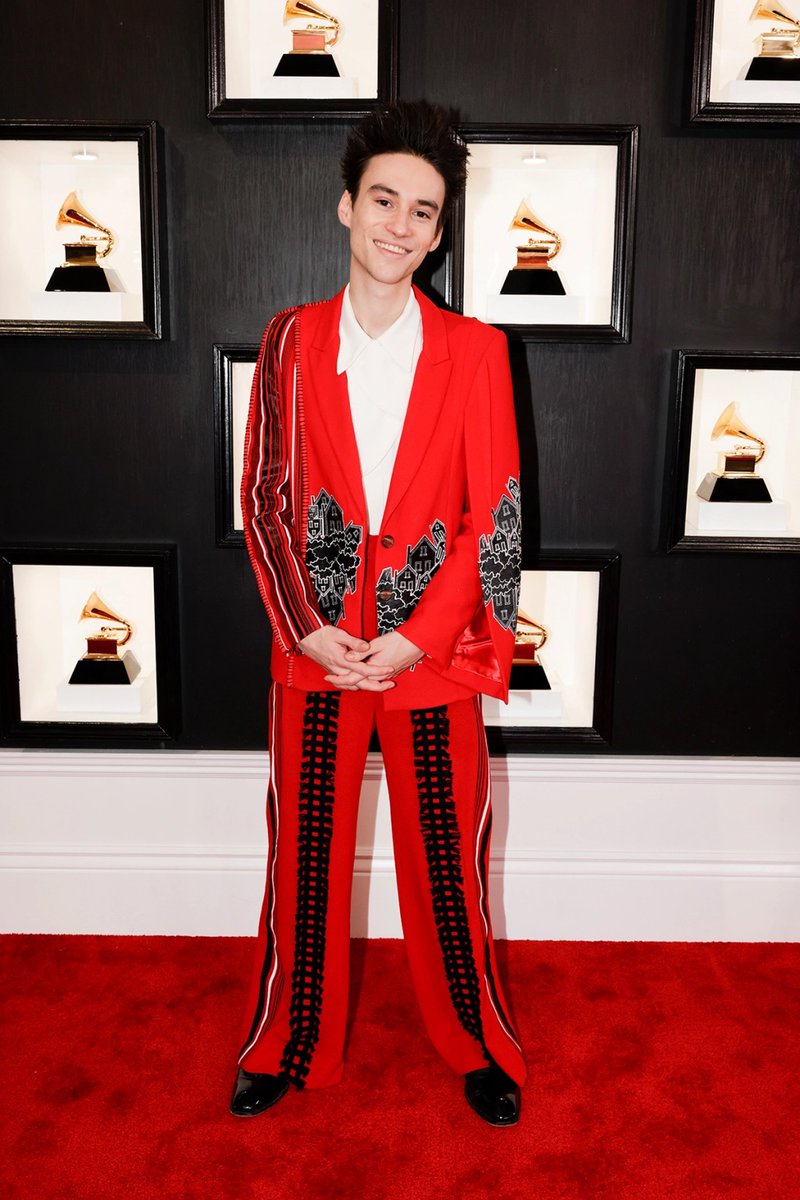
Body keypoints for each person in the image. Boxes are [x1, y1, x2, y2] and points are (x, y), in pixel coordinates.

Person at [232, 99, 526, 1127]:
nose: (399, 226)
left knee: (447, 863)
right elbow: (262, 497)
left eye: (423, 212)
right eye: (384, 201)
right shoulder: (289, 343)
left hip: (429, 655)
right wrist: (306, 629)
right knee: (301, 858)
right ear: (345, 208)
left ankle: (477, 1042)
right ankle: (284, 1037)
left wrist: (410, 641)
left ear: (439, 233)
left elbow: (491, 520)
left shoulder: (478, 352)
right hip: (312, 649)